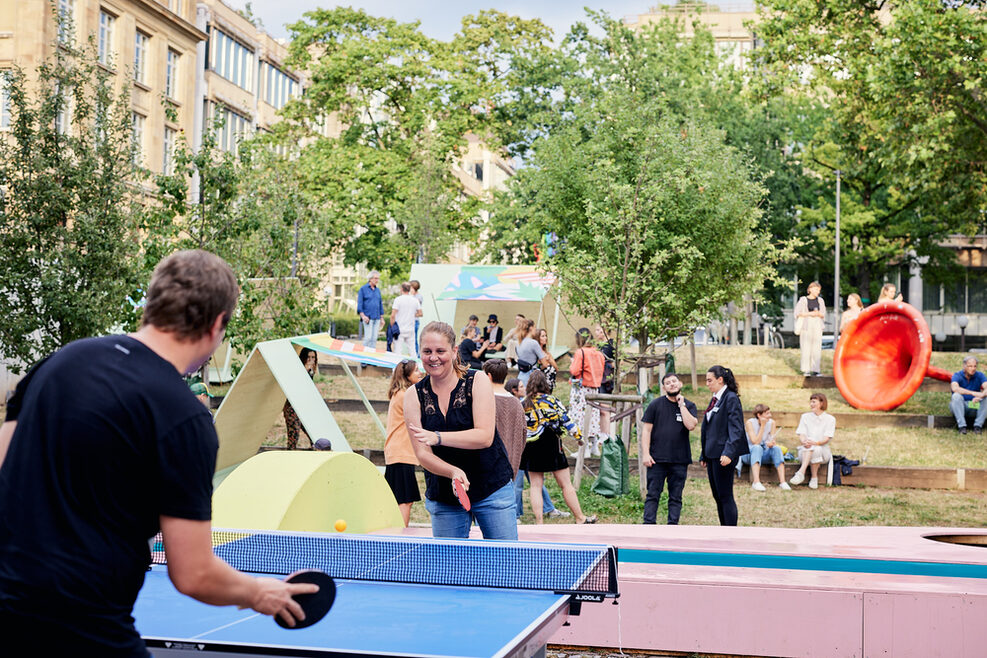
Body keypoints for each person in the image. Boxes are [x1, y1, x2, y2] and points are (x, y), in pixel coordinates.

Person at [0, 250, 316, 654]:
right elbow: (194, 574)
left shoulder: (60, 362)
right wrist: (258, 592)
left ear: (152, 304)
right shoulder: (184, 419)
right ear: (218, 323)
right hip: (82, 625)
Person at [403, 322, 516, 539]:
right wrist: (452, 472)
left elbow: (484, 436)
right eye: (427, 351)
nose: (433, 357)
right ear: (420, 353)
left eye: (440, 351)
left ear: (454, 352)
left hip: (491, 487)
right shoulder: (413, 395)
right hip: (444, 494)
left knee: (505, 563)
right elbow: (422, 454)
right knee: (449, 570)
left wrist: (437, 437)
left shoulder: (477, 380)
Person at [521, 370, 597, 524]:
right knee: (565, 484)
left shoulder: (523, 403)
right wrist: (579, 438)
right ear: (545, 384)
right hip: (551, 443)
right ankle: (579, 517)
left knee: (535, 485)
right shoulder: (552, 401)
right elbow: (566, 420)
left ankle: (539, 522)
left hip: (531, 445)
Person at [504, 376, 567, 521]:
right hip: (519, 450)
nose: (524, 388)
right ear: (514, 390)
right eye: (520, 386)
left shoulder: (526, 403)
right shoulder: (519, 404)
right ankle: (516, 514)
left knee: (537, 484)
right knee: (519, 484)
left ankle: (548, 508)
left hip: (530, 449)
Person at [641, 373, 698, 525]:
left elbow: (691, 425)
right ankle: (648, 526)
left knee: (676, 496)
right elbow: (646, 430)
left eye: (674, 381)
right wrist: (646, 454)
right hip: (657, 459)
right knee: (653, 495)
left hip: (679, 460)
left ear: (680, 384)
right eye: (668, 383)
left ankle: (672, 527)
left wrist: (682, 405)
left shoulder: (689, 405)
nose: (672, 384)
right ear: (663, 387)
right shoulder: (655, 405)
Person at [699, 365, 748, 526]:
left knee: (726, 495)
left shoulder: (731, 398)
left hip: (724, 455)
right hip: (712, 454)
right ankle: (723, 529)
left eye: (709, 380)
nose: (707, 383)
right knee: (717, 495)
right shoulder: (716, 398)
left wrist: (729, 452)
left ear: (720, 380)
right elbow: (709, 428)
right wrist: (704, 454)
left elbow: (736, 428)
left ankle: (731, 531)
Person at [384, 360, 423, 527]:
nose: (420, 372)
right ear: (407, 376)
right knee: (404, 501)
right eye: (416, 371)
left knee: (401, 500)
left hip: (398, 452)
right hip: (401, 453)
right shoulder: (405, 395)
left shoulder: (400, 393)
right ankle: (401, 536)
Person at [569, 328, 606, 457]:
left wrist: (572, 364)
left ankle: (583, 449)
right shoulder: (599, 353)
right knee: (593, 418)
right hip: (595, 389)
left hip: (582, 389)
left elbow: (574, 370)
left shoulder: (581, 352)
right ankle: (594, 446)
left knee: (580, 418)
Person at [739, 404, 790, 492]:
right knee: (757, 447)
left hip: (763, 453)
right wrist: (762, 426)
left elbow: (772, 439)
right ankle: (756, 482)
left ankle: (783, 482)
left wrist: (772, 443)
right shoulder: (749, 423)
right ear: (759, 415)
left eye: (770, 413)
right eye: (767, 413)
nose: (770, 415)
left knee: (777, 449)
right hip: (748, 454)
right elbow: (755, 442)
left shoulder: (772, 423)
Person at [789, 393, 836, 489]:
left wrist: (815, 443)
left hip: (823, 453)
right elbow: (802, 434)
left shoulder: (830, 419)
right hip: (805, 452)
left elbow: (827, 438)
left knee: (817, 448)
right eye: (810, 402)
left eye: (814, 402)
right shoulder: (805, 417)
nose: (811, 404)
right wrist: (804, 442)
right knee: (812, 447)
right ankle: (814, 478)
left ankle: (801, 473)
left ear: (822, 403)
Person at [283, 347, 317, 450]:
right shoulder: (297, 370)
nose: (310, 360)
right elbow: (295, 386)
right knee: (294, 435)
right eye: (308, 357)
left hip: (303, 408)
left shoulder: (311, 371)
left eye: (313, 357)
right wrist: (305, 371)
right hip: (292, 408)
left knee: (313, 434)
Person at [794, 281, 826, 376]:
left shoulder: (820, 301)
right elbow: (797, 313)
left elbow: (823, 313)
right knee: (806, 347)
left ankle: (816, 369)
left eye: (819, 290)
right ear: (810, 289)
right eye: (816, 289)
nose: (817, 292)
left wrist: (817, 314)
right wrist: (809, 314)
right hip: (806, 324)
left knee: (817, 347)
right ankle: (806, 369)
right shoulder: (803, 300)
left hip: (817, 324)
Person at [949, 356, 987, 434]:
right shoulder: (957, 375)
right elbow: (955, 388)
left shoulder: (980, 375)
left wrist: (981, 396)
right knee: (956, 396)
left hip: (973, 405)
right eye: (970, 366)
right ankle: (962, 427)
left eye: (975, 366)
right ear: (964, 366)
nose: (973, 369)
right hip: (960, 407)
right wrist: (973, 393)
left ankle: (978, 426)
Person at [390, 282, 422, 357]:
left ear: (401, 289)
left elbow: (393, 315)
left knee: (398, 350)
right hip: (410, 328)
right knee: (412, 350)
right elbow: (420, 313)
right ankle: (415, 367)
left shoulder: (398, 300)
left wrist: (392, 326)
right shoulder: (415, 300)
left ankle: (396, 368)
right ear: (410, 289)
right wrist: (412, 314)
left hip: (399, 329)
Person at [357, 270, 384, 350]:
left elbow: (380, 304)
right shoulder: (363, 289)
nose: (377, 280)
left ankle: (371, 361)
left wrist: (382, 318)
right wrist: (363, 316)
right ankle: (363, 359)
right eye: (375, 278)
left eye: (378, 278)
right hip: (367, 318)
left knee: (374, 339)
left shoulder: (377, 290)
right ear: (370, 279)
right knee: (368, 338)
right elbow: (360, 304)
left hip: (377, 318)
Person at [516, 319, 549, 385]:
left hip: (521, 376)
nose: (535, 329)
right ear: (531, 328)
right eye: (535, 327)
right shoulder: (533, 343)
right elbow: (545, 364)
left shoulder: (518, 343)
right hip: (532, 377)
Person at [409, 280, 424, 356]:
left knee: (413, 340)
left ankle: (417, 356)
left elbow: (418, 311)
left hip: (415, 322)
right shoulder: (411, 296)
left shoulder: (418, 297)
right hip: (409, 322)